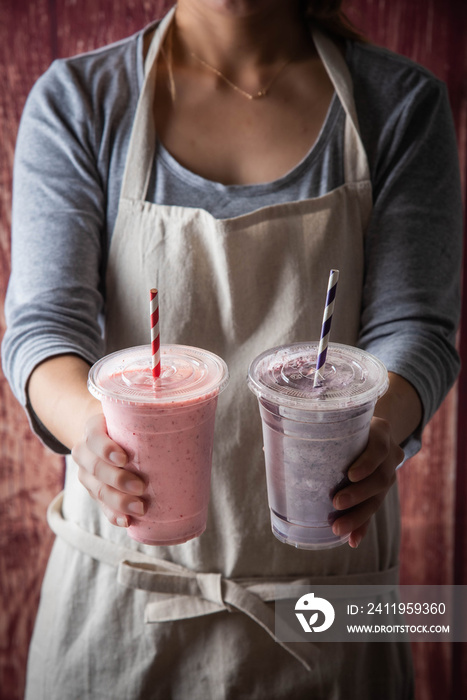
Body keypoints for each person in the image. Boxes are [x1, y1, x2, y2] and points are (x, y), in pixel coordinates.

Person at [2, 0, 462, 697]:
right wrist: (90, 435)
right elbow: (44, 326)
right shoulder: (80, 101)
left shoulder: (399, 103)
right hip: (126, 599)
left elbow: (415, 327)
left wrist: (380, 429)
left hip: (327, 606)